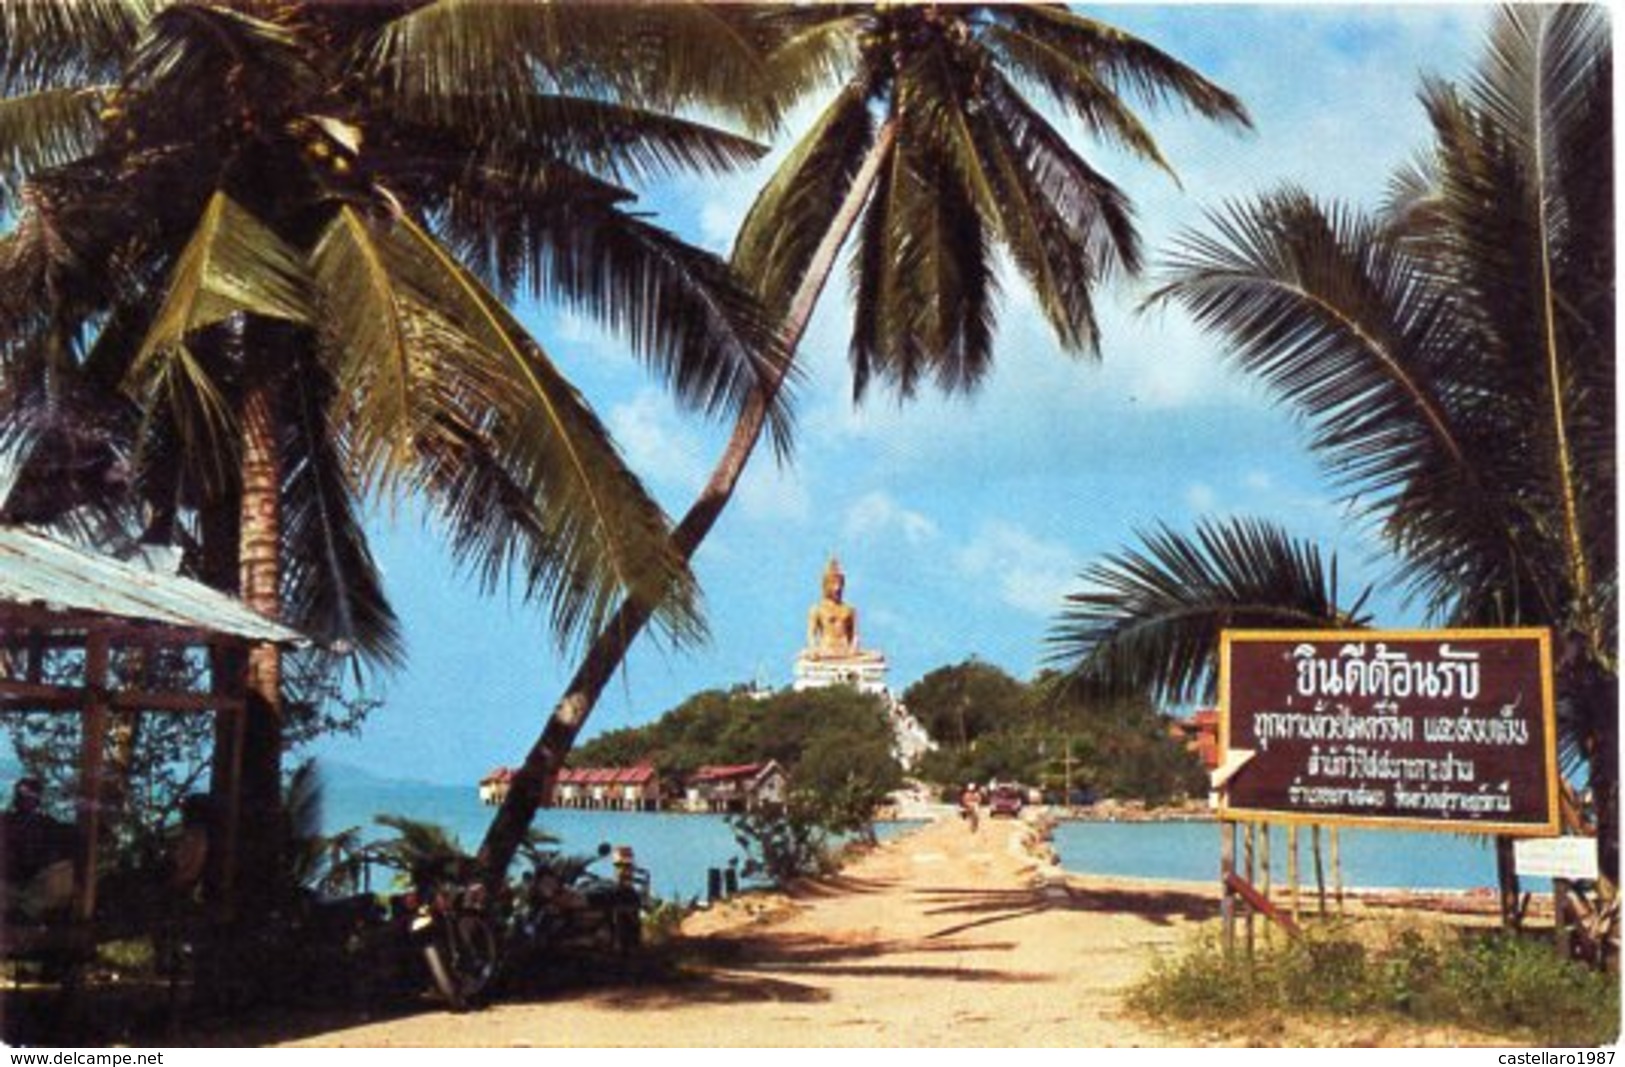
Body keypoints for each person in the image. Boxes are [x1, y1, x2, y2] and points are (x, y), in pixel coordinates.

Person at [1, 777, 79, 922]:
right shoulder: (4, 821)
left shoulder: (47, 824)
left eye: (32, 795)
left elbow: (70, 838)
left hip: (36, 887)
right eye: (23, 794)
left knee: (65, 870)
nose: (27, 799)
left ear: (38, 799)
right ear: (16, 797)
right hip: (7, 886)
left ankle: (25, 913)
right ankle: (20, 913)